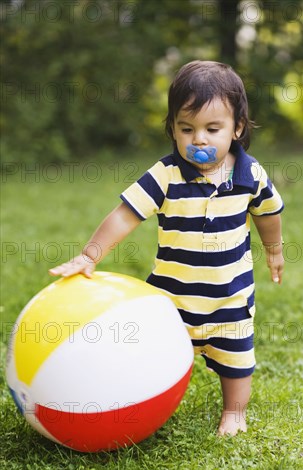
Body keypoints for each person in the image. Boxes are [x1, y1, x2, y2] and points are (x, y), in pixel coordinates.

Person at [49, 60, 284, 436]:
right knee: (151, 357)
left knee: (237, 361)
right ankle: (142, 401)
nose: (199, 140)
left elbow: (268, 213)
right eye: (186, 129)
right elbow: (125, 215)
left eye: (212, 129)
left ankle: (234, 413)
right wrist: (89, 254)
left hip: (230, 299)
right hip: (171, 299)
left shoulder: (250, 175)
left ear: (237, 128)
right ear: (172, 128)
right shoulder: (166, 175)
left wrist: (274, 250)